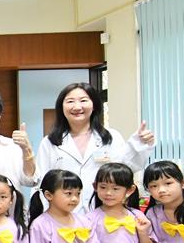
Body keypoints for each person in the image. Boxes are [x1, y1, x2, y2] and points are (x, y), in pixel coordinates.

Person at [36, 83, 155, 212]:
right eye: (70, 101)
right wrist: (47, 213)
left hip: (103, 211)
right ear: (61, 107)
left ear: (94, 105)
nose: (77, 107)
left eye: (83, 100)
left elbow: (125, 169)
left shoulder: (111, 137)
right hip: (62, 214)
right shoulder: (49, 142)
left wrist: (139, 144)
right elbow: (42, 182)